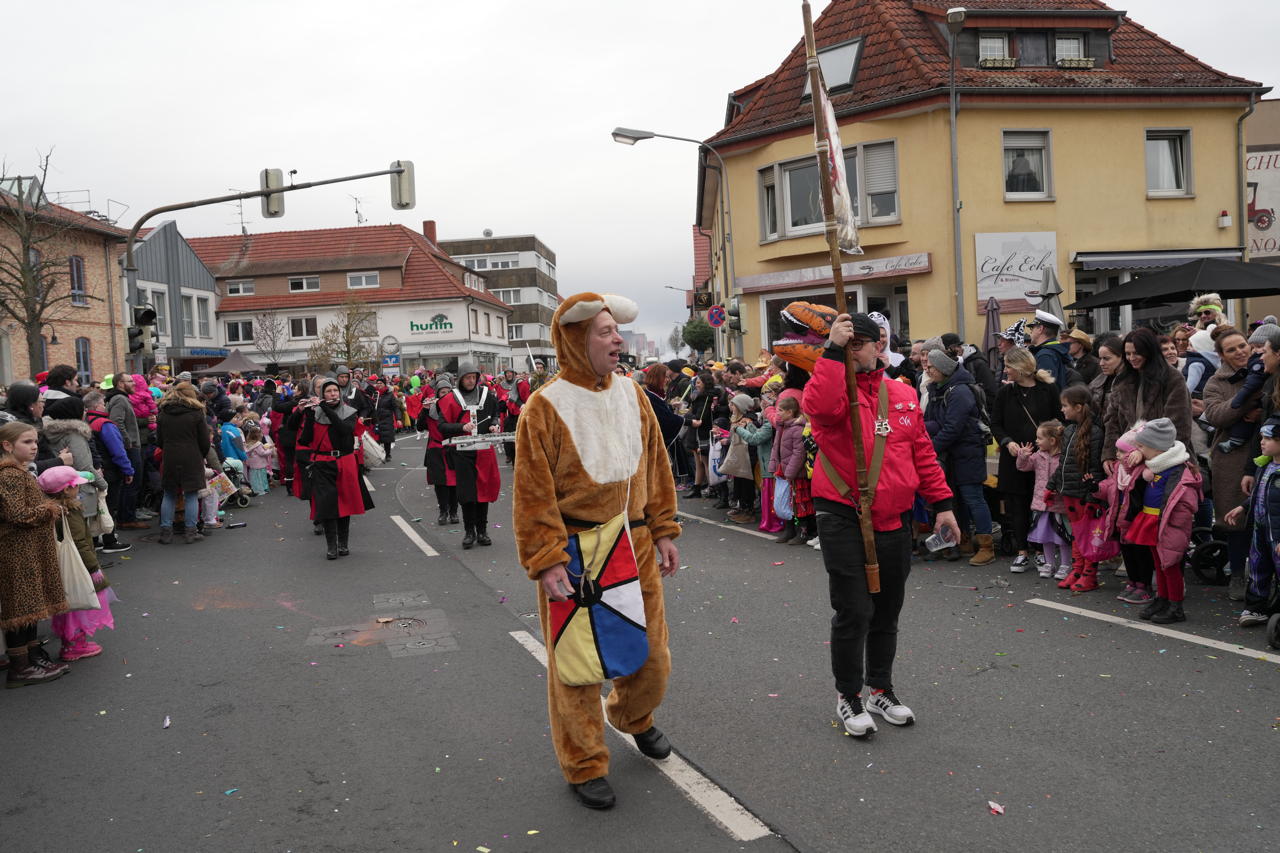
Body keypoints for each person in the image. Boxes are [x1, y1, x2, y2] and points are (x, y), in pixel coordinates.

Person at [513, 292, 681, 810]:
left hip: (635, 541)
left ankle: (633, 716)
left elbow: (656, 465)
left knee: (651, 657)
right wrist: (546, 560)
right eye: (605, 332)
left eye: (617, 330)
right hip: (575, 549)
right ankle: (584, 763)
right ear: (575, 338)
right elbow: (532, 492)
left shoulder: (633, 394)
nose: (617, 339)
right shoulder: (542, 407)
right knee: (577, 667)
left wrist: (665, 528)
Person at [803, 312, 958, 739]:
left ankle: (880, 689)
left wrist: (943, 504)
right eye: (850, 346)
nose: (860, 353)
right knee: (854, 609)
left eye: (862, 345)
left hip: (894, 517)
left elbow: (922, 453)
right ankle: (848, 694)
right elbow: (818, 407)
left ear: (878, 347)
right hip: (842, 515)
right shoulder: (835, 390)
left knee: (887, 611)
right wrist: (832, 351)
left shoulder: (901, 392)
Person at [0, 421, 69, 687]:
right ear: (7, 445)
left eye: (35, 441)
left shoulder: (18, 472)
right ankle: (20, 669)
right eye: (26, 442)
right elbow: (18, 515)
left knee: (29, 608)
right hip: (16, 551)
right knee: (19, 610)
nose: (34, 446)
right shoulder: (9, 475)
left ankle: (31, 658)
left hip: (25, 549)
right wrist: (49, 509)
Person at [1199, 325, 1264, 602]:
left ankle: (1264, 577)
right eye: (1231, 349)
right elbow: (1216, 416)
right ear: (1222, 356)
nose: (1239, 352)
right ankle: (1237, 574)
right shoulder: (1216, 382)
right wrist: (1247, 405)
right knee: (1236, 522)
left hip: (1268, 453)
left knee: (1267, 518)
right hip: (1232, 461)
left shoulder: (1266, 370)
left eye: (1242, 346)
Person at [1115, 418, 1201, 624]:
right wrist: (1136, 452)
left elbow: (1184, 505)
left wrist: (1171, 525)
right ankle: (1162, 599)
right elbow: (1127, 465)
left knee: (1169, 566)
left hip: (1167, 524)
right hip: (1150, 519)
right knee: (1158, 564)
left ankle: (1175, 606)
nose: (1138, 449)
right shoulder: (1154, 463)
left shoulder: (1178, 470)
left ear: (1157, 447)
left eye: (1142, 446)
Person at [923, 348, 995, 566]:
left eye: (932, 367)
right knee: (958, 499)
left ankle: (986, 545)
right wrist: (926, 427)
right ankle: (962, 539)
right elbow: (936, 421)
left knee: (973, 497)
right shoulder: (938, 388)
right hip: (954, 452)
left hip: (968, 451)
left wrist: (930, 449)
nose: (928, 369)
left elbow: (953, 427)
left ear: (943, 369)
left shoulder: (960, 392)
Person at [991, 348, 1061, 569]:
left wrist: (1051, 445)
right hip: (1014, 459)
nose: (1005, 370)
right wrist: (1007, 442)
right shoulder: (1005, 393)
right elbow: (996, 423)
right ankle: (1022, 550)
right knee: (1016, 505)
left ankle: (1041, 549)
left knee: (1041, 505)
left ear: (1021, 369)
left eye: (1008, 366)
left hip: (1043, 459)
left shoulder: (1048, 390)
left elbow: (1059, 421)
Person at [39, 466, 117, 662]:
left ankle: (70, 641)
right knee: (78, 606)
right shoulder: (69, 512)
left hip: (58, 567)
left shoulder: (48, 508)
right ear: (67, 490)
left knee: (67, 604)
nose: (79, 490)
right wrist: (93, 567)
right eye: (76, 486)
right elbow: (79, 543)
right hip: (77, 567)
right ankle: (73, 645)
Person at [298, 379, 374, 559]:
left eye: (335, 391)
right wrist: (308, 414)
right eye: (328, 391)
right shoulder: (315, 412)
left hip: (344, 462)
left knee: (345, 503)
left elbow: (343, 430)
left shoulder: (349, 412)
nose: (332, 394)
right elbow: (305, 439)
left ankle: (343, 544)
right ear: (322, 395)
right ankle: (331, 546)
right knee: (327, 505)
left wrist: (325, 408)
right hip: (323, 463)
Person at [437, 362, 501, 549]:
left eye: (474, 377)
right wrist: (461, 427)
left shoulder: (486, 395)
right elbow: (442, 427)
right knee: (467, 494)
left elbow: (495, 413)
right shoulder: (451, 399)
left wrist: (494, 424)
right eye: (467, 378)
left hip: (484, 451)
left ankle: (482, 531)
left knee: (483, 492)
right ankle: (469, 532)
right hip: (463, 453)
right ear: (461, 379)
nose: (471, 381)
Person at [1053, 384, 1107, 591]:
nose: (1062, 410)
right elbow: (1063, 461)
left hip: (1085, 493)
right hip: (1069, 491)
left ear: (1078, 407)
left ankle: (1089, 573)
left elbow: (1095, 467)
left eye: (1065, 406)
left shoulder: (1095, 432)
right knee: (1076, 532)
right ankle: (1077, 569)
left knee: (1089, 534)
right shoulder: (1068, 431)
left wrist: (1093, 494)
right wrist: (1053, 484)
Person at [1228, 416, 1280, 627]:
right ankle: (1256, 607)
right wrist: (1243, 506)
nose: (1262, 442)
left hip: (1277, 535)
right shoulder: (1264, 466)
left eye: (1268, 438)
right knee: (1258, 568)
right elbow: (1259, 493)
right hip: (1260, 531)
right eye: (1261, 437)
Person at [154, 382, 211, 545]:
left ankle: (165, 532)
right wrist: (201, 454)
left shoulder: (164, 412)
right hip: (192, 455)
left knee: (169, 493)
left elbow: (159, 440)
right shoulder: (197, 413)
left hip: (170, 455)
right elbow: (204, 440)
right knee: (191, 494)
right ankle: (191, 532)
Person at [1015, 421, 1069, 579]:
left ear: (1052, 441)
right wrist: (1022, 456)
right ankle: (1049, 563)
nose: (1036, 441)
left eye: (1039, 438)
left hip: (1059, 504)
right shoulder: (1038, 456)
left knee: (1062, 537)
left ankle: (1065, 564)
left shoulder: (1064, 456)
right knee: (1045, 536)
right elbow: (1023, 467)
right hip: (1042, 504)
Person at [83, 390, 135, 554]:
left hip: (92, 470)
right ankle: (109, 540)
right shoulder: (104, 424)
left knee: (94, 506)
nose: (105, 406)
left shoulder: (84, 422)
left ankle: (94, 539)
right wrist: (128, 470)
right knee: (109, 506)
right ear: (98, 405)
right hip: (110, 470)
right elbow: (118, 451)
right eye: (104, 403)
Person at [417, 375, 459, 525]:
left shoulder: (456, 406)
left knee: (454, 483)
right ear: (437, 394)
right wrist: (424, 410)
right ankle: (443, 511)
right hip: (435, 448)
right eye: (442, 392)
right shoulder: (431, 408)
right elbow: (420, 427)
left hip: (452, 447)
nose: (445, 394)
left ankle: (454, 512)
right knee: (440, 483)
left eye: (448, 391)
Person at [770, 396, 809, 544]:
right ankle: (789, 529)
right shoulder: (782, 426)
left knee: (798, 504)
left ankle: (802, 531)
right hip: (783, 470)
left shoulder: (797, 429)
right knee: (784, 501)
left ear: (790, 412)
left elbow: (799, 453)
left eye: (780, 410)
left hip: (794, 473)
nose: (777, 413)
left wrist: (790, 473)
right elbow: (776, 449)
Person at [1026, 309, 1071, 390]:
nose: (1031, 331)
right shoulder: (1054, 350)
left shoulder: (1045, 355)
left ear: (1040, 329)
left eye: (1032, 328)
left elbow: (1045, 389)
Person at [371, 379, 398, 462]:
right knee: (376, 438)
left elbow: (395, 407)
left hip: (387, 418)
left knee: (387, 438)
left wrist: (399, 418)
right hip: (376, 418)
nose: (379, 384)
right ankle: (378, 454)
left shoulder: (390, 395)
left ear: (384, 384)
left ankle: (388, 454)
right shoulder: (375, 394)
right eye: (377, 383)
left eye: (381, 383)